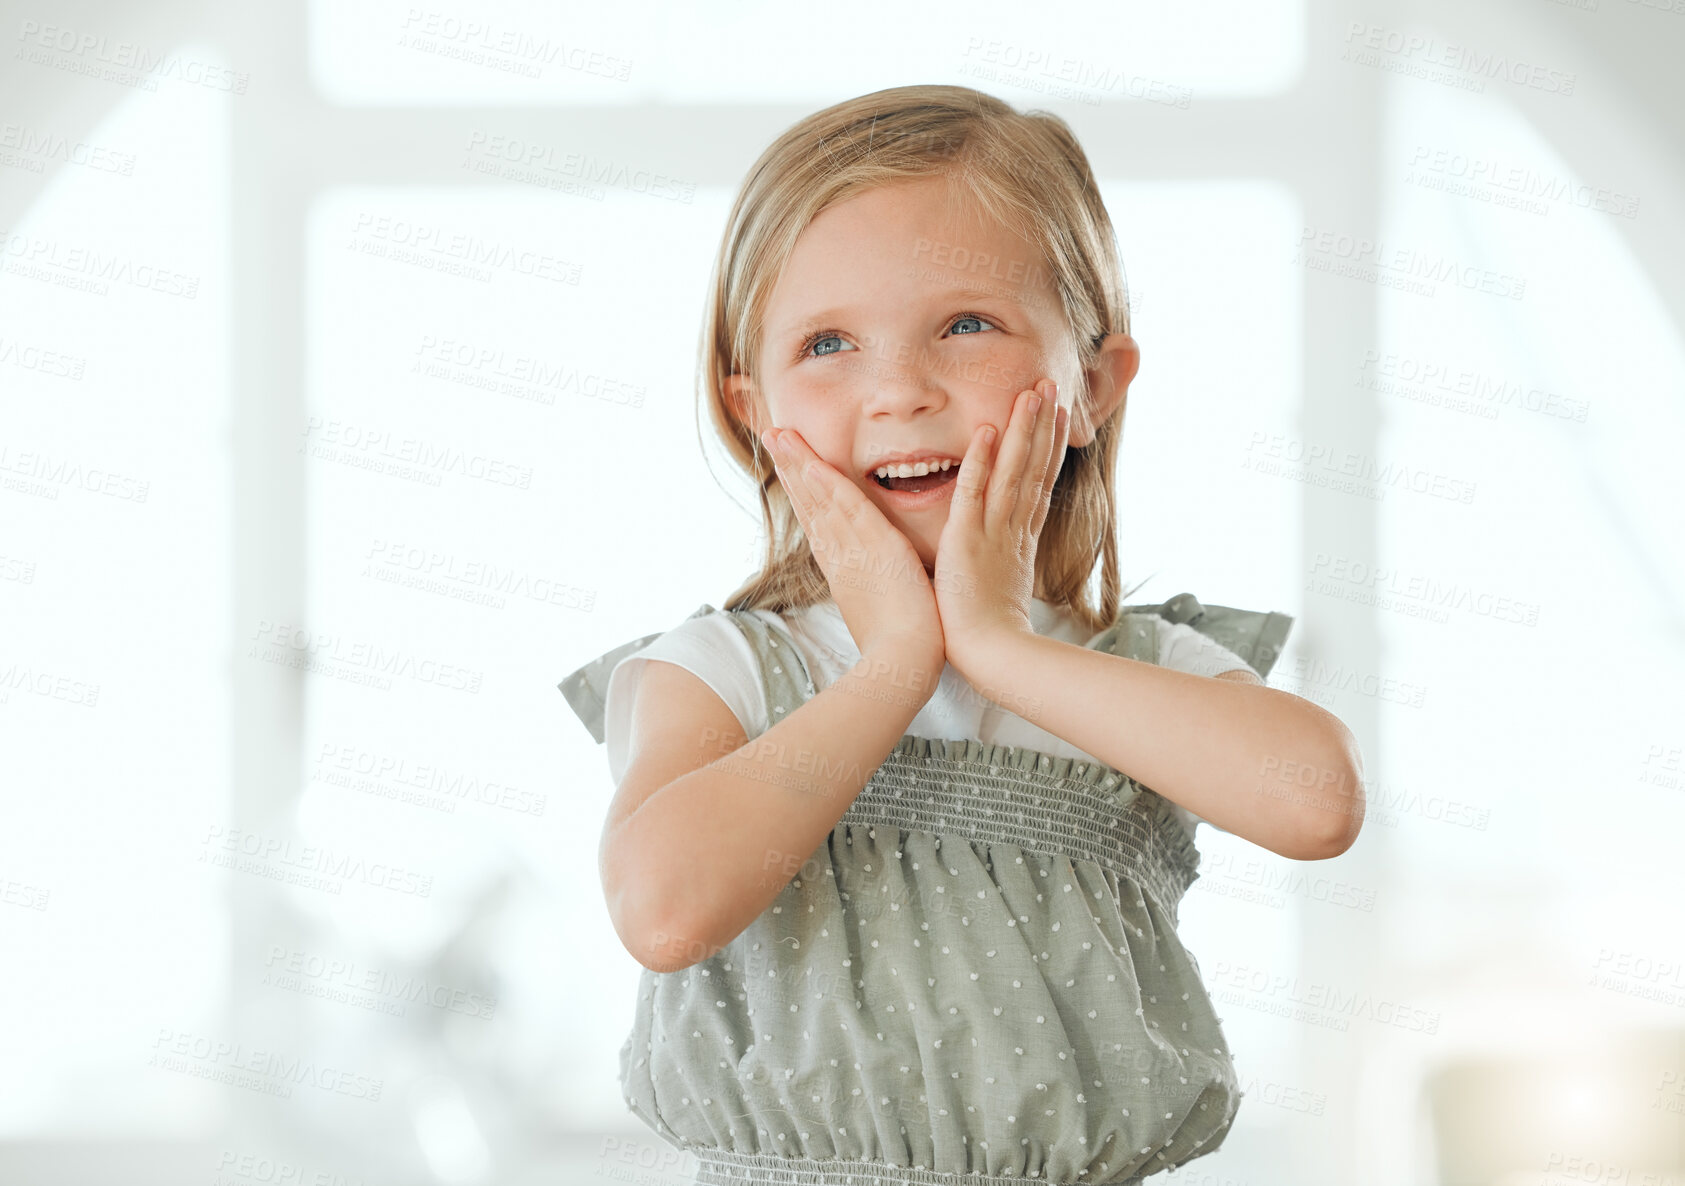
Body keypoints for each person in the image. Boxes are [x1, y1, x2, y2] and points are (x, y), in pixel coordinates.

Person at [559, 84, 1366, 1186]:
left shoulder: (1144, 668)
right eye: (828, 342)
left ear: (1089, 382)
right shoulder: (725, 671)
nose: (898, 389)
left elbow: (1315, 802)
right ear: (754, 412)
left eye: (965, 324)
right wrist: (895, 665)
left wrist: (999, 646)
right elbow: (662, 910)